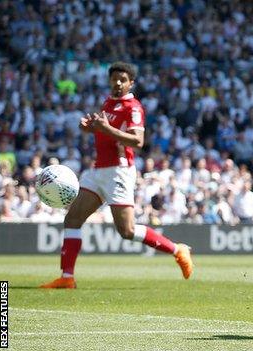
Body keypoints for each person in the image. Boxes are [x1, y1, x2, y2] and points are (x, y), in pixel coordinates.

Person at [40, 62, 193, 289]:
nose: (118, 83)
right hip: (98, 170)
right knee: (72, 219)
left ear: (131, 83)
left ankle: (177, 250)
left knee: (127, 231)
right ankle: (67, 277)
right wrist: (91, 128)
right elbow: (106, 133)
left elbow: (138, 141)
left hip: (118, 172)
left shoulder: (133, 107)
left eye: (122, 80)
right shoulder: (108, 103)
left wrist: (104, 129)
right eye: (114, 79)